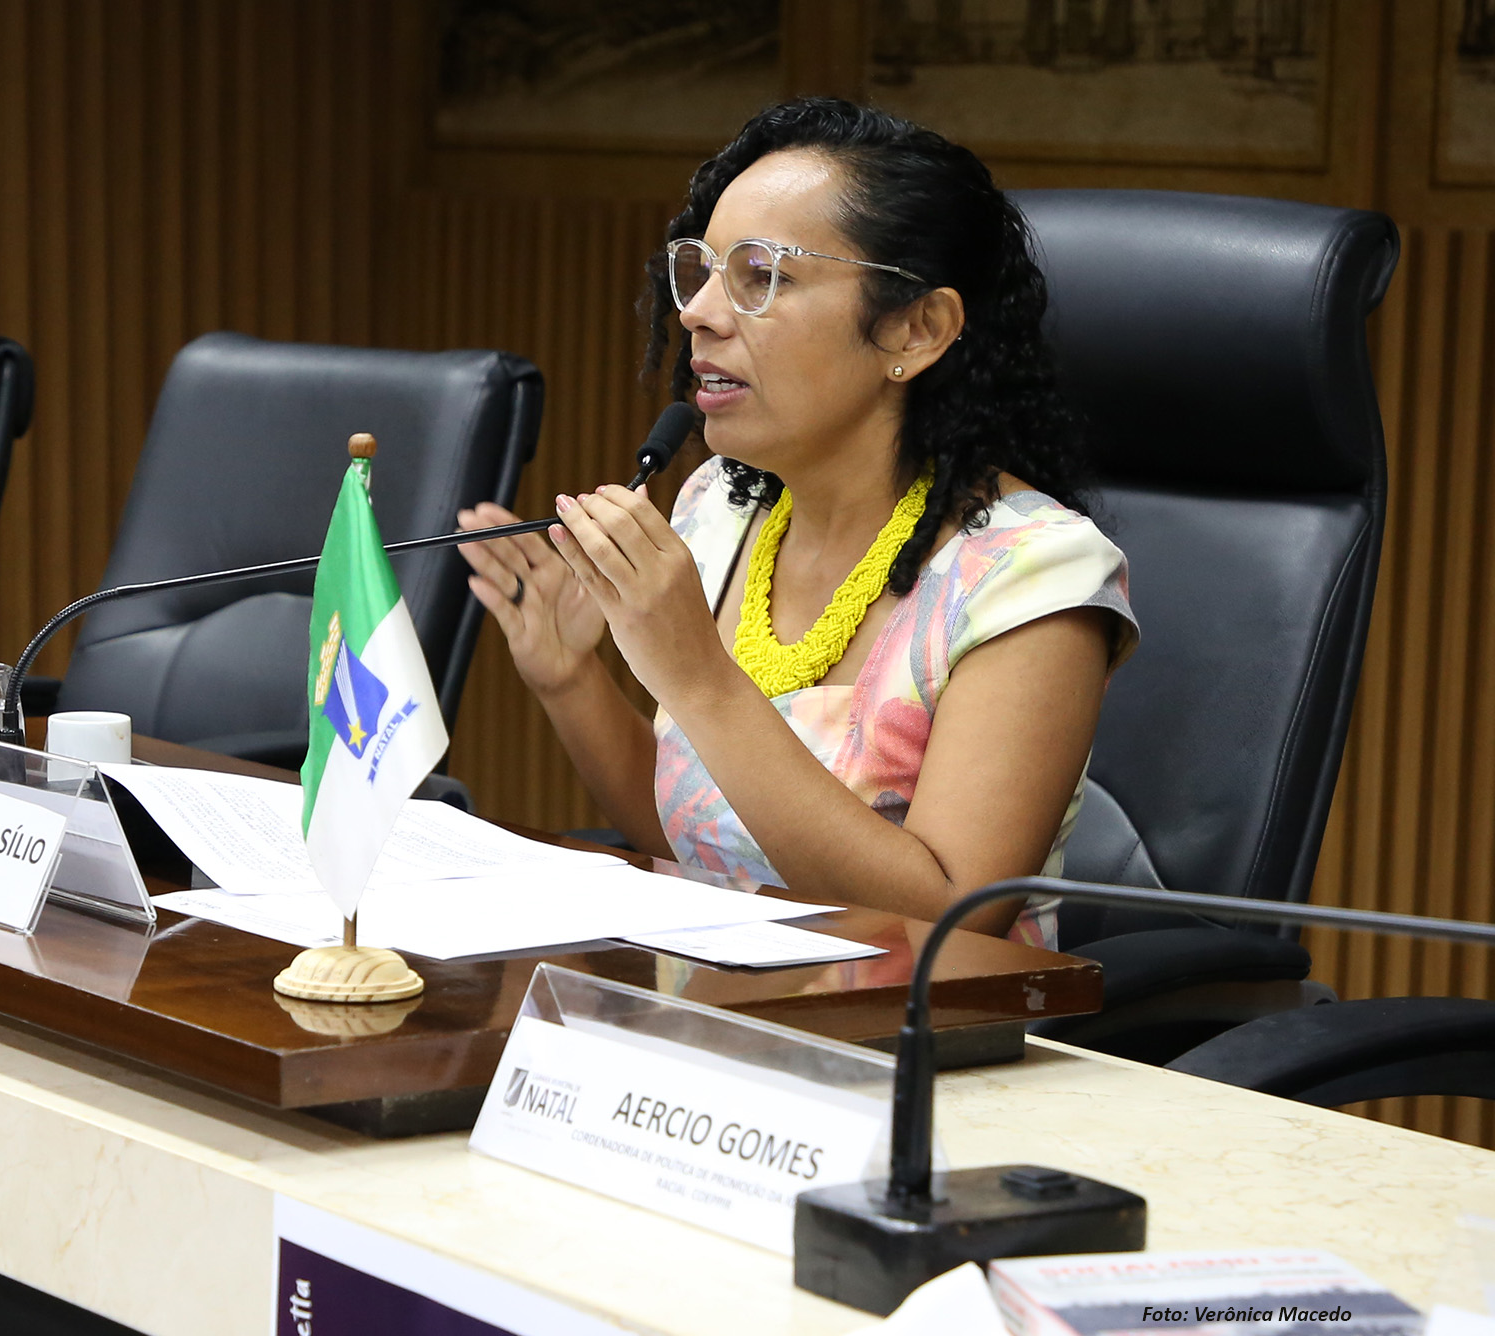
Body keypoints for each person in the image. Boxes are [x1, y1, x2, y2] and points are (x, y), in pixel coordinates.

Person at [455, 97, 1137, 945]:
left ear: (916, 329)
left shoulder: (1033, 577)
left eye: (760, 275)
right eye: (701, 270)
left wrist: (699, 678)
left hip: (919, 1021)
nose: (697, 312)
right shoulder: (722, 506)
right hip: (719, 995)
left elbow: (950, 923)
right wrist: (570, 679)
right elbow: (702, 845)